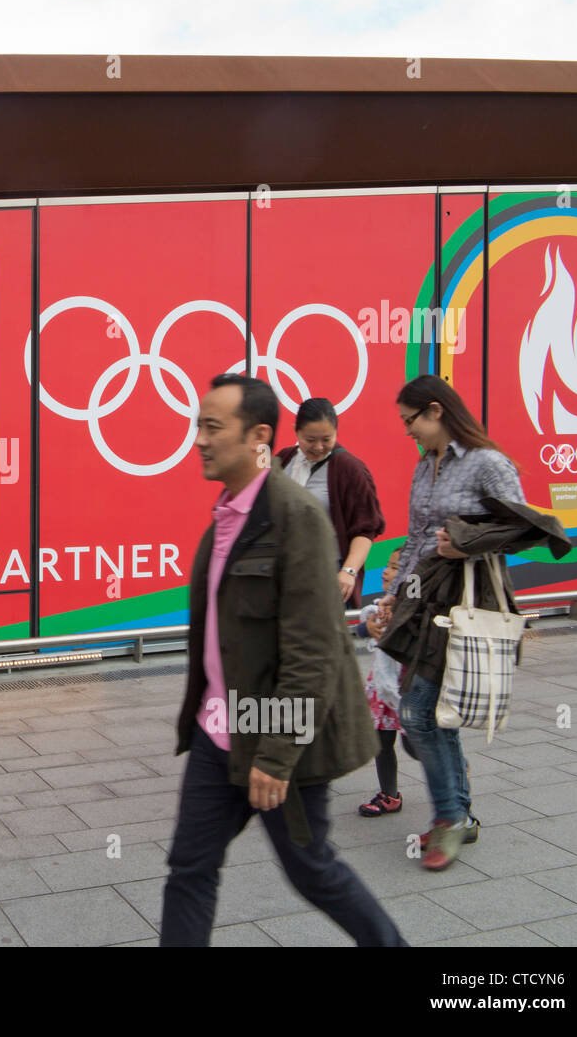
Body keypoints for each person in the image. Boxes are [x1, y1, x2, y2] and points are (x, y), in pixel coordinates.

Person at [161, 373, 405, 947]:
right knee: (189, 869)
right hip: (216, 730)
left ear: (258, 436)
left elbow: (314, 650)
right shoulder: (228, 513)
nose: (199, 438)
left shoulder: (295, 517)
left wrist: (274, 755)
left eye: (213, 427)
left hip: (271, 732)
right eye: (199, 424)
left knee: (312, 871)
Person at [374, 375, 523, 871]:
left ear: (436, 411)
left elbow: (524, 527)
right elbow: (416, 538)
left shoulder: (488, 463)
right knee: (434, 708)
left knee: (419, 711)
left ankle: (451, 818)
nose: (407, 432)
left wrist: (466, 544)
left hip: (469, 599)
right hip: (426, 600)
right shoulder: (424, 467)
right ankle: (457, 813)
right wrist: (393, 597)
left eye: (410, 421)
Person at [276, 397, 384, 607]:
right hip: (285, 578)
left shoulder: (350, 469)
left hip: (327, 581)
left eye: (326, 439)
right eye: (310, 439)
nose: (318, 447)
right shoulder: (284, 459)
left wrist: (348, 571)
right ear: (296, 431)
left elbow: (366, 529)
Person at [354, 547, 405, 817]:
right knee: (381, 741)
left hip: (409, 690)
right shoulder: (377, 608)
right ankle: (389, 795)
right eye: (388, 565)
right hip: (381, 688)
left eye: (395, 567)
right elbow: (361, 629)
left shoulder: (415, 612)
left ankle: (455, 768)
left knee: (418, 747)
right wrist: (368, 628)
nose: (386, 571)